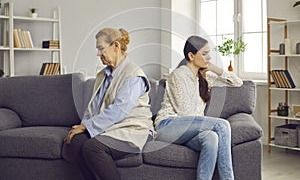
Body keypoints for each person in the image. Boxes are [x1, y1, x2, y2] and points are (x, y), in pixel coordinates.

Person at [63, 28, 154, 180]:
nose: (98, 54)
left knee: (93, 148)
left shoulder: (134, 75)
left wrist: (86, 127)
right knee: (76, 142)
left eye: (100, 48)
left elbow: (119, 110)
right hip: (111, 127)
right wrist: (82, 128)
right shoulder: (104, 74)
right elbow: (93, 107)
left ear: (116, 46)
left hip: (133, 129)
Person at [154, 35, 243, 180]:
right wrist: (209, 124)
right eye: (204, 53)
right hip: (168, 127)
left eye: (209, 53)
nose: (209, 58)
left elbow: (237, 82)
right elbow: (186, 113)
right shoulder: (178, 75)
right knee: (222, 125)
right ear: (191, 55)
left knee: (212, 138)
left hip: (189, 130)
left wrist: (214, 68)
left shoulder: (204, 78)